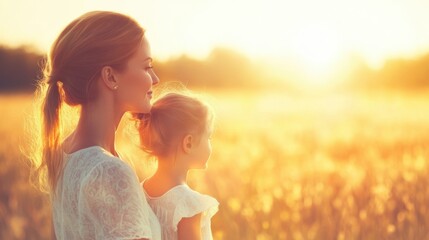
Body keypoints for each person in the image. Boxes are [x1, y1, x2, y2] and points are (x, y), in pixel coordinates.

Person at [28, 11, 161, 240]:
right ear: (110, 77)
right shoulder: (109, 171)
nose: (156, 79)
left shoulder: (62, 154)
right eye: (147, 67)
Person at [134, 92, 219, 240]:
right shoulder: (189, 205)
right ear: (188, 143)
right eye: (209, 137)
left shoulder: (140, 191)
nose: (211, 143)